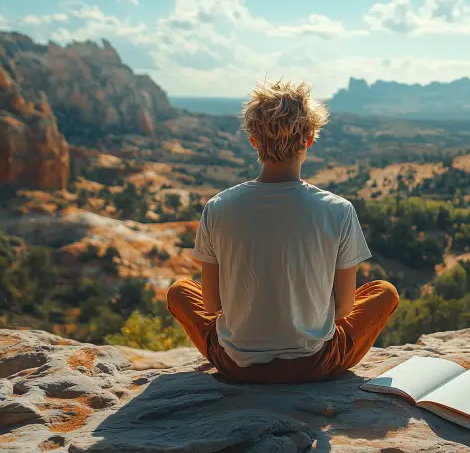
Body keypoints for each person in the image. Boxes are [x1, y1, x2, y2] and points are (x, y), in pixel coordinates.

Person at [166, 80, 399, 384]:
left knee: (180, 291)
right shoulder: (338, 210)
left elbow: (212, 306)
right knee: (384, 292)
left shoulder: (218, 207)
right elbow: (343, 310)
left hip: (237, 365)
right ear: (310, 139)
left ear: (253, 141)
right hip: (314, 364)